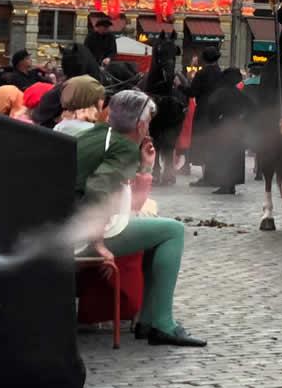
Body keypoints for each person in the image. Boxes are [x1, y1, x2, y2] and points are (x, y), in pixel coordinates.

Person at [75, 90, 205, 347]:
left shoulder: (95, 135)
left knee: (157, 233)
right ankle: (162, 323)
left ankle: (148, 319)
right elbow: (99, 189)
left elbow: (121, 198)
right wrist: (98, 242)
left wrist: (145, 166)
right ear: (141, 124)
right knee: (173, 231)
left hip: (70, 223)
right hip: (81, 233)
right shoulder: (123, 147)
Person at [201, 67, 251, 195]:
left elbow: (212, 109)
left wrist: (215, 123)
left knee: (223, 156)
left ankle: (225, 184)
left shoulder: (220, 93)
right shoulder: (239, 93)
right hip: (237, 129)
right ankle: (232, 184)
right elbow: (250, 108)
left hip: (223, 128)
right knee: (235, 157)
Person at [185, 45, 223, 183]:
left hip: (203, 113)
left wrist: (179, 85)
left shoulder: (202, 74)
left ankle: (206, 176)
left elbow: (192, 92)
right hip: (217, 113)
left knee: (202, 143)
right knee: (213, 143)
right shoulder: (220, 73)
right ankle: (213, 174)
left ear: (205, 59)